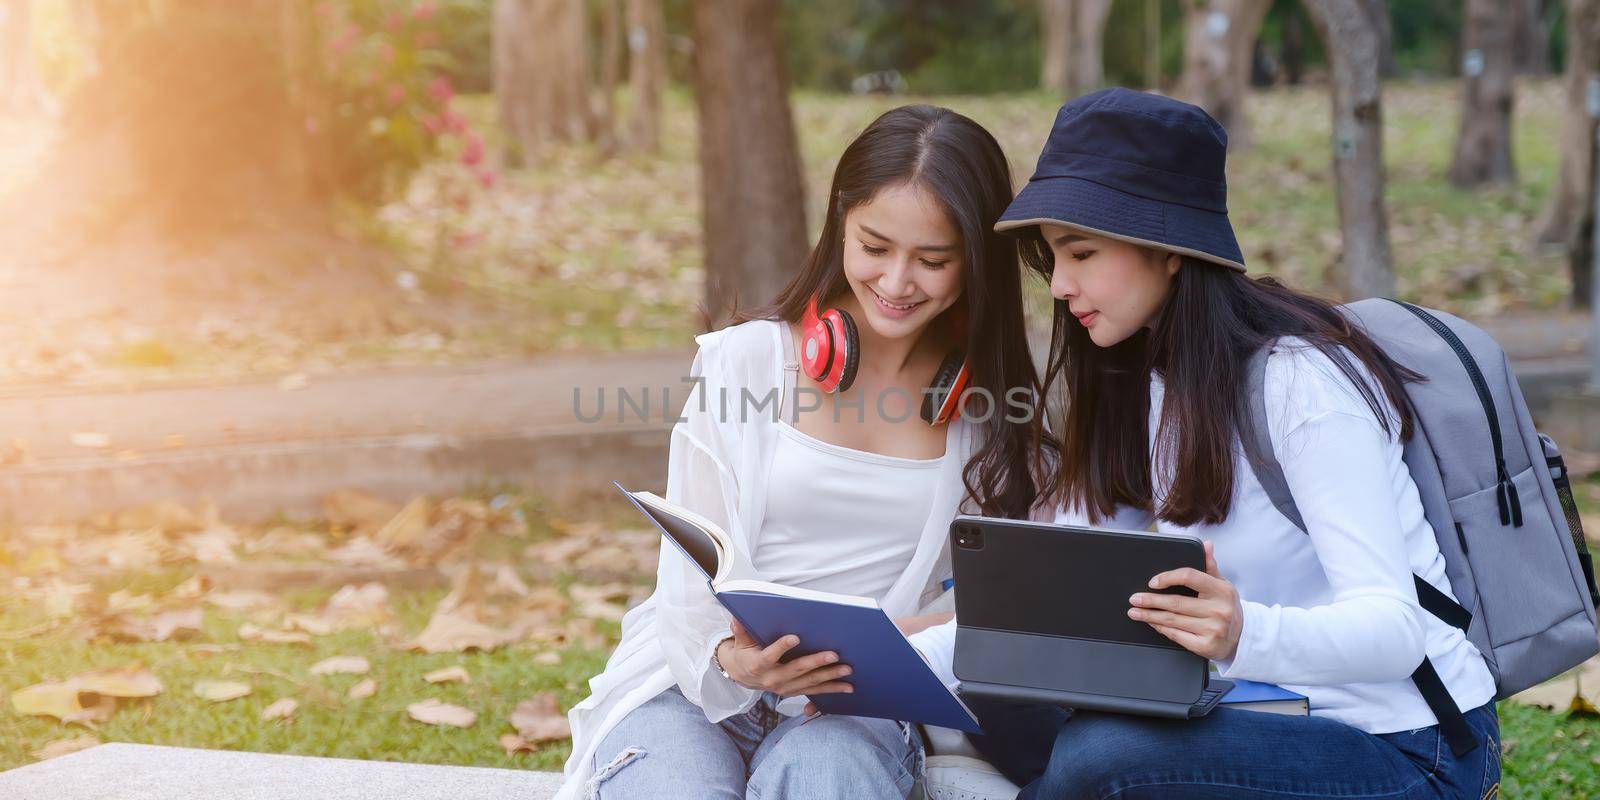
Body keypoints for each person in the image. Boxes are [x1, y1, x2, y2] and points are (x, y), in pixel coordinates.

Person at [909, 88, 1502, 799]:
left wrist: (1241, 631)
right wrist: (875, 659)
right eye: (1053, 259)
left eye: (1083, 253)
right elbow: (1041, 601)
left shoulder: (1298, 385)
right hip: (1259, 707)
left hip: (1408, 746)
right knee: (996, 691)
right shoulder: (1138, 372)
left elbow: (1394, 630)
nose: (1060, 286)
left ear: (1169, 251)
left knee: (1102, 755)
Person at [558, 104, 1050, 800]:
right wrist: (737, 660)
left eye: (933, 260)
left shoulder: (990, 411)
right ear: (840, 221)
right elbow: (689, 572)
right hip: (694, 684)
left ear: (974, 262)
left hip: (858, 708)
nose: (898, 281)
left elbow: (1012, 599)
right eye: (875, 247)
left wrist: (903, 639)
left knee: (824, 779)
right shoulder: (748, 361)